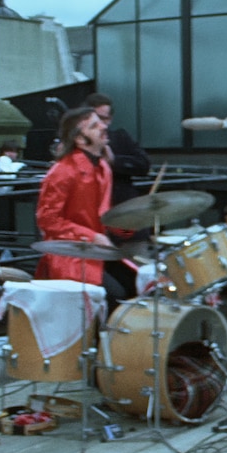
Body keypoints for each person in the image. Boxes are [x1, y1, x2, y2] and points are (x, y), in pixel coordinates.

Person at [35, 107, 127, 313]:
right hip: (69, 256)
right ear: (79, 139)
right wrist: (92, 236)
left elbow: (103, 214)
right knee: (116, 296)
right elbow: (48, 220)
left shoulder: (103, 167)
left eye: (101, 122)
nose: (104, 127)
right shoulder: (62, 171)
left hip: (96, 252)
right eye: (95, 126)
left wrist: (130, 226)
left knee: (137, 285)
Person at [83, 93, 151, 300]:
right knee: (108, 287)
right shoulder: (80, 146)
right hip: (98, 226)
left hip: (126, 221)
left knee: (139, 276)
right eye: (96, 119)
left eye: (104, 119)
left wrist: (115, 161)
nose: (101, 125)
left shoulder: (119, 137)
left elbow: (143, 165)